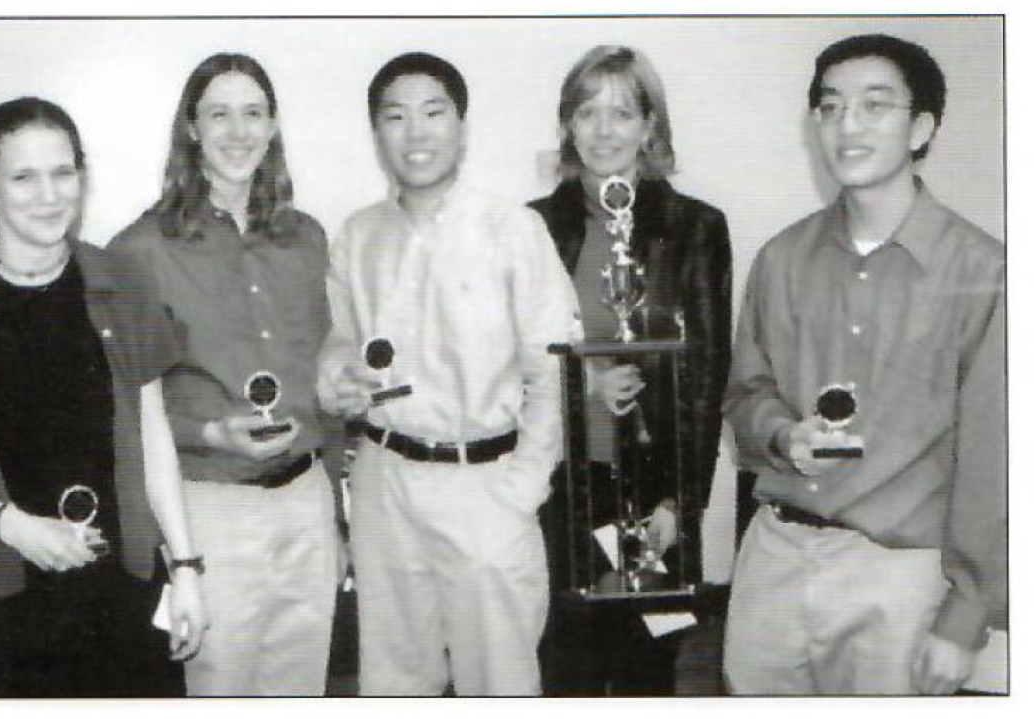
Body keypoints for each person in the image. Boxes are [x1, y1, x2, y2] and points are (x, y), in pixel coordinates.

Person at [0, 97, 207, 697]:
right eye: (23, 177)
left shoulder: (123, 282)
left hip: (118, 590)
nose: (48, 194)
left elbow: (154, 441)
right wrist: (15, 529)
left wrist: (187, 568)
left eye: (63, 173)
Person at [722, 34, 1004, 695]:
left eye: (876, 106)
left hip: (900, 573)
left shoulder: (985, 274)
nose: (849, 125)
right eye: (831, 106)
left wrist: (965, 619)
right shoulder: (781, 258)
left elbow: (1000, 461)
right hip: (774, 557)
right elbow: (746, 393)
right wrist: (782, 434)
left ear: (922, 126)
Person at [317, 51, 579, 696]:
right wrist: (336, 377)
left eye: (434, 113)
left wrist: (522, 489)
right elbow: (340, 341)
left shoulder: (514, 230)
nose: (416, 132)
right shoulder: (357, 235)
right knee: (393, 682)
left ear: (462, 125)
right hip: (384, 483)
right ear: (376, 131)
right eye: (396, 116)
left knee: (501, 682)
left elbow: (551, 373)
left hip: (485, 484)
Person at [109, 53, 339, 697]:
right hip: (210, 506)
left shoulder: (308, 239)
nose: (237, 131)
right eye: (219, 114)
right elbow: (127, 410)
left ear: (273, 128)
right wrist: (212, 432)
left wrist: (339, 517)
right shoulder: (139, 251)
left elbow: (327, 373)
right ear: (191, 128)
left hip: (307, 502)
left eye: (253, 113)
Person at [529, 45, 731, 696]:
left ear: (650, 125)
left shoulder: (695, 227)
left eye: (622, 112)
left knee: (649, 659)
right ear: (567, 124)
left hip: (653, 483)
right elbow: (513, 361)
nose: (604, 130)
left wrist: (682, 502)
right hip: (560, 485)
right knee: (568, 665)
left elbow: (705, 372)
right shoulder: (531, 226)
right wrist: (577, 386)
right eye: (587, 112)